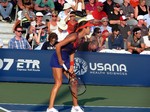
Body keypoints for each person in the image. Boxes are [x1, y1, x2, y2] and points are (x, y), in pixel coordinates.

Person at [46, 21, 93, 112]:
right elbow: (58, 46)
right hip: (57, 57)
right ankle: (50, 108)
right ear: (84, 28)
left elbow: (72, 51)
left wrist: (71, 65)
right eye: (89, 28)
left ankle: (75, 107)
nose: (90, 29)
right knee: (58, 83)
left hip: (66, 58)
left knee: (74, 81)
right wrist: (60, 59)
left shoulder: (82, 39)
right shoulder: (74, 36)